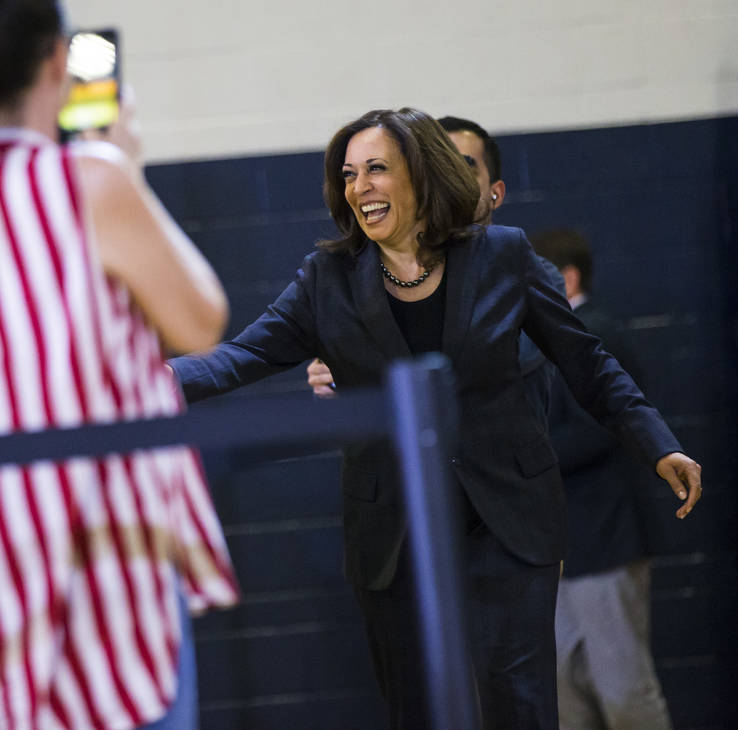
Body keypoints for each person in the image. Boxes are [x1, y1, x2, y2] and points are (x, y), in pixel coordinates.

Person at [168, 108, 702, 729]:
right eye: (348, 175)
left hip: (507, 518)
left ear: (420, 176)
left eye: (376, 170)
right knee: (415, 709)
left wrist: (656, 442)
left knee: (519, 704)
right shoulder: (327, 278)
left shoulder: (505, 255)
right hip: (395, 532)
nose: (359, 187)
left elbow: (587, 362)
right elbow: (242, 355)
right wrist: (138, 384)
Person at [0, 1, 238, 728]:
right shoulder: (90, 179)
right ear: (56, 59)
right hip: (103, 541)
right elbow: (201, 320)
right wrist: (128, 167)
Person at [307, 115, 563, 421]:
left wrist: (363, 367)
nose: (448, 176)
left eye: (464, 165)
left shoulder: (532, 271)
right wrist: (338, 376)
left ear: (496, 192)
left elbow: (495, 364)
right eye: (436, 165)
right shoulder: (381, 275)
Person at [532, 228, 672, 730]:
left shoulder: (595, 334)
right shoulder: (558, 339)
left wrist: (524, 459)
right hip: (568, 548)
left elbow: (600, 429)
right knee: (569, 691)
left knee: (623, 688)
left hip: (605, 541)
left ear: (567, 278)